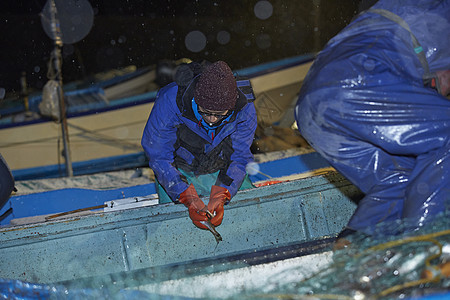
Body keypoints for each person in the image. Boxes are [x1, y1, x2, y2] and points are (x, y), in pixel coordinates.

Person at [295, 0, 450, 239]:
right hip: (359, 83)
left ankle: (355, 253)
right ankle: (424, 248)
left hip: (311, 104)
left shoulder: (397, 13)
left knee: (400, 178)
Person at [141, 61, 257, 229]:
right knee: (174, 229)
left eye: (219, 114)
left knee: (249, 221)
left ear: (231, 106)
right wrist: (186, 195)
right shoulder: (170, 100)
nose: (211, 119)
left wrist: (223, 193)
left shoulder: (245, 107)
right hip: (178, 171)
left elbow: (239, 156)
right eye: (205, 111)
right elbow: (159, 156)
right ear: (196, 99)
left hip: (223, 169)